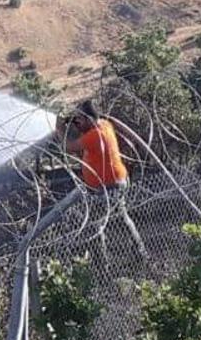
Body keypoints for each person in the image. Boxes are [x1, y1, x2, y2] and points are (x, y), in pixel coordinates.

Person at [56, 100, 146, 257]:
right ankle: (139, 253)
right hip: (115, 182)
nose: (76, 122)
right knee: (122, 219)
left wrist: (60, 128)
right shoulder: (104, 124)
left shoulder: (94, 135)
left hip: (109, 186)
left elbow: (68, 147)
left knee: (96, 226)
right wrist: (75, 122)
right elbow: (87, 133)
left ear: (89, 119)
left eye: (79, 118)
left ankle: (102, 264)